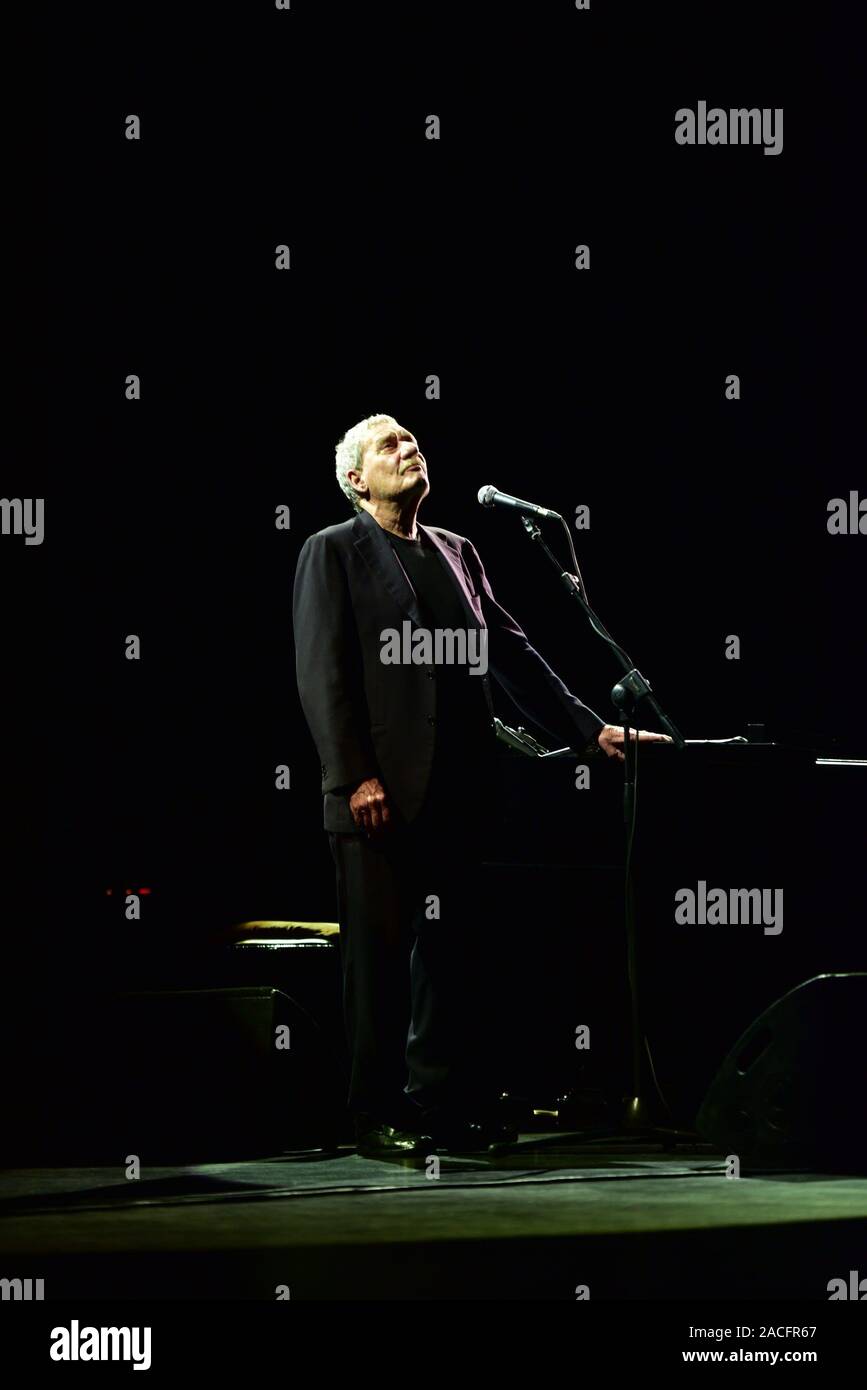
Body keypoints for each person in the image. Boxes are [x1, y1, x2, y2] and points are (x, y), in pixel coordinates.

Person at [293, 413, 670, 1157]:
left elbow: (512, 653)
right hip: (378, 793)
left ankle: (440, 1102)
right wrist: (354, 776)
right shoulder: (331, 552)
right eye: (388, 446)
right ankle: (373, 1113)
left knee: (454, 954)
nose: (408, 450)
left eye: (412, 440)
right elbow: (321, 673)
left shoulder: (455, 551)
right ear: (355, 479)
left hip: (462, 790)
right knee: (376, 960)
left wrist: (590, 730)